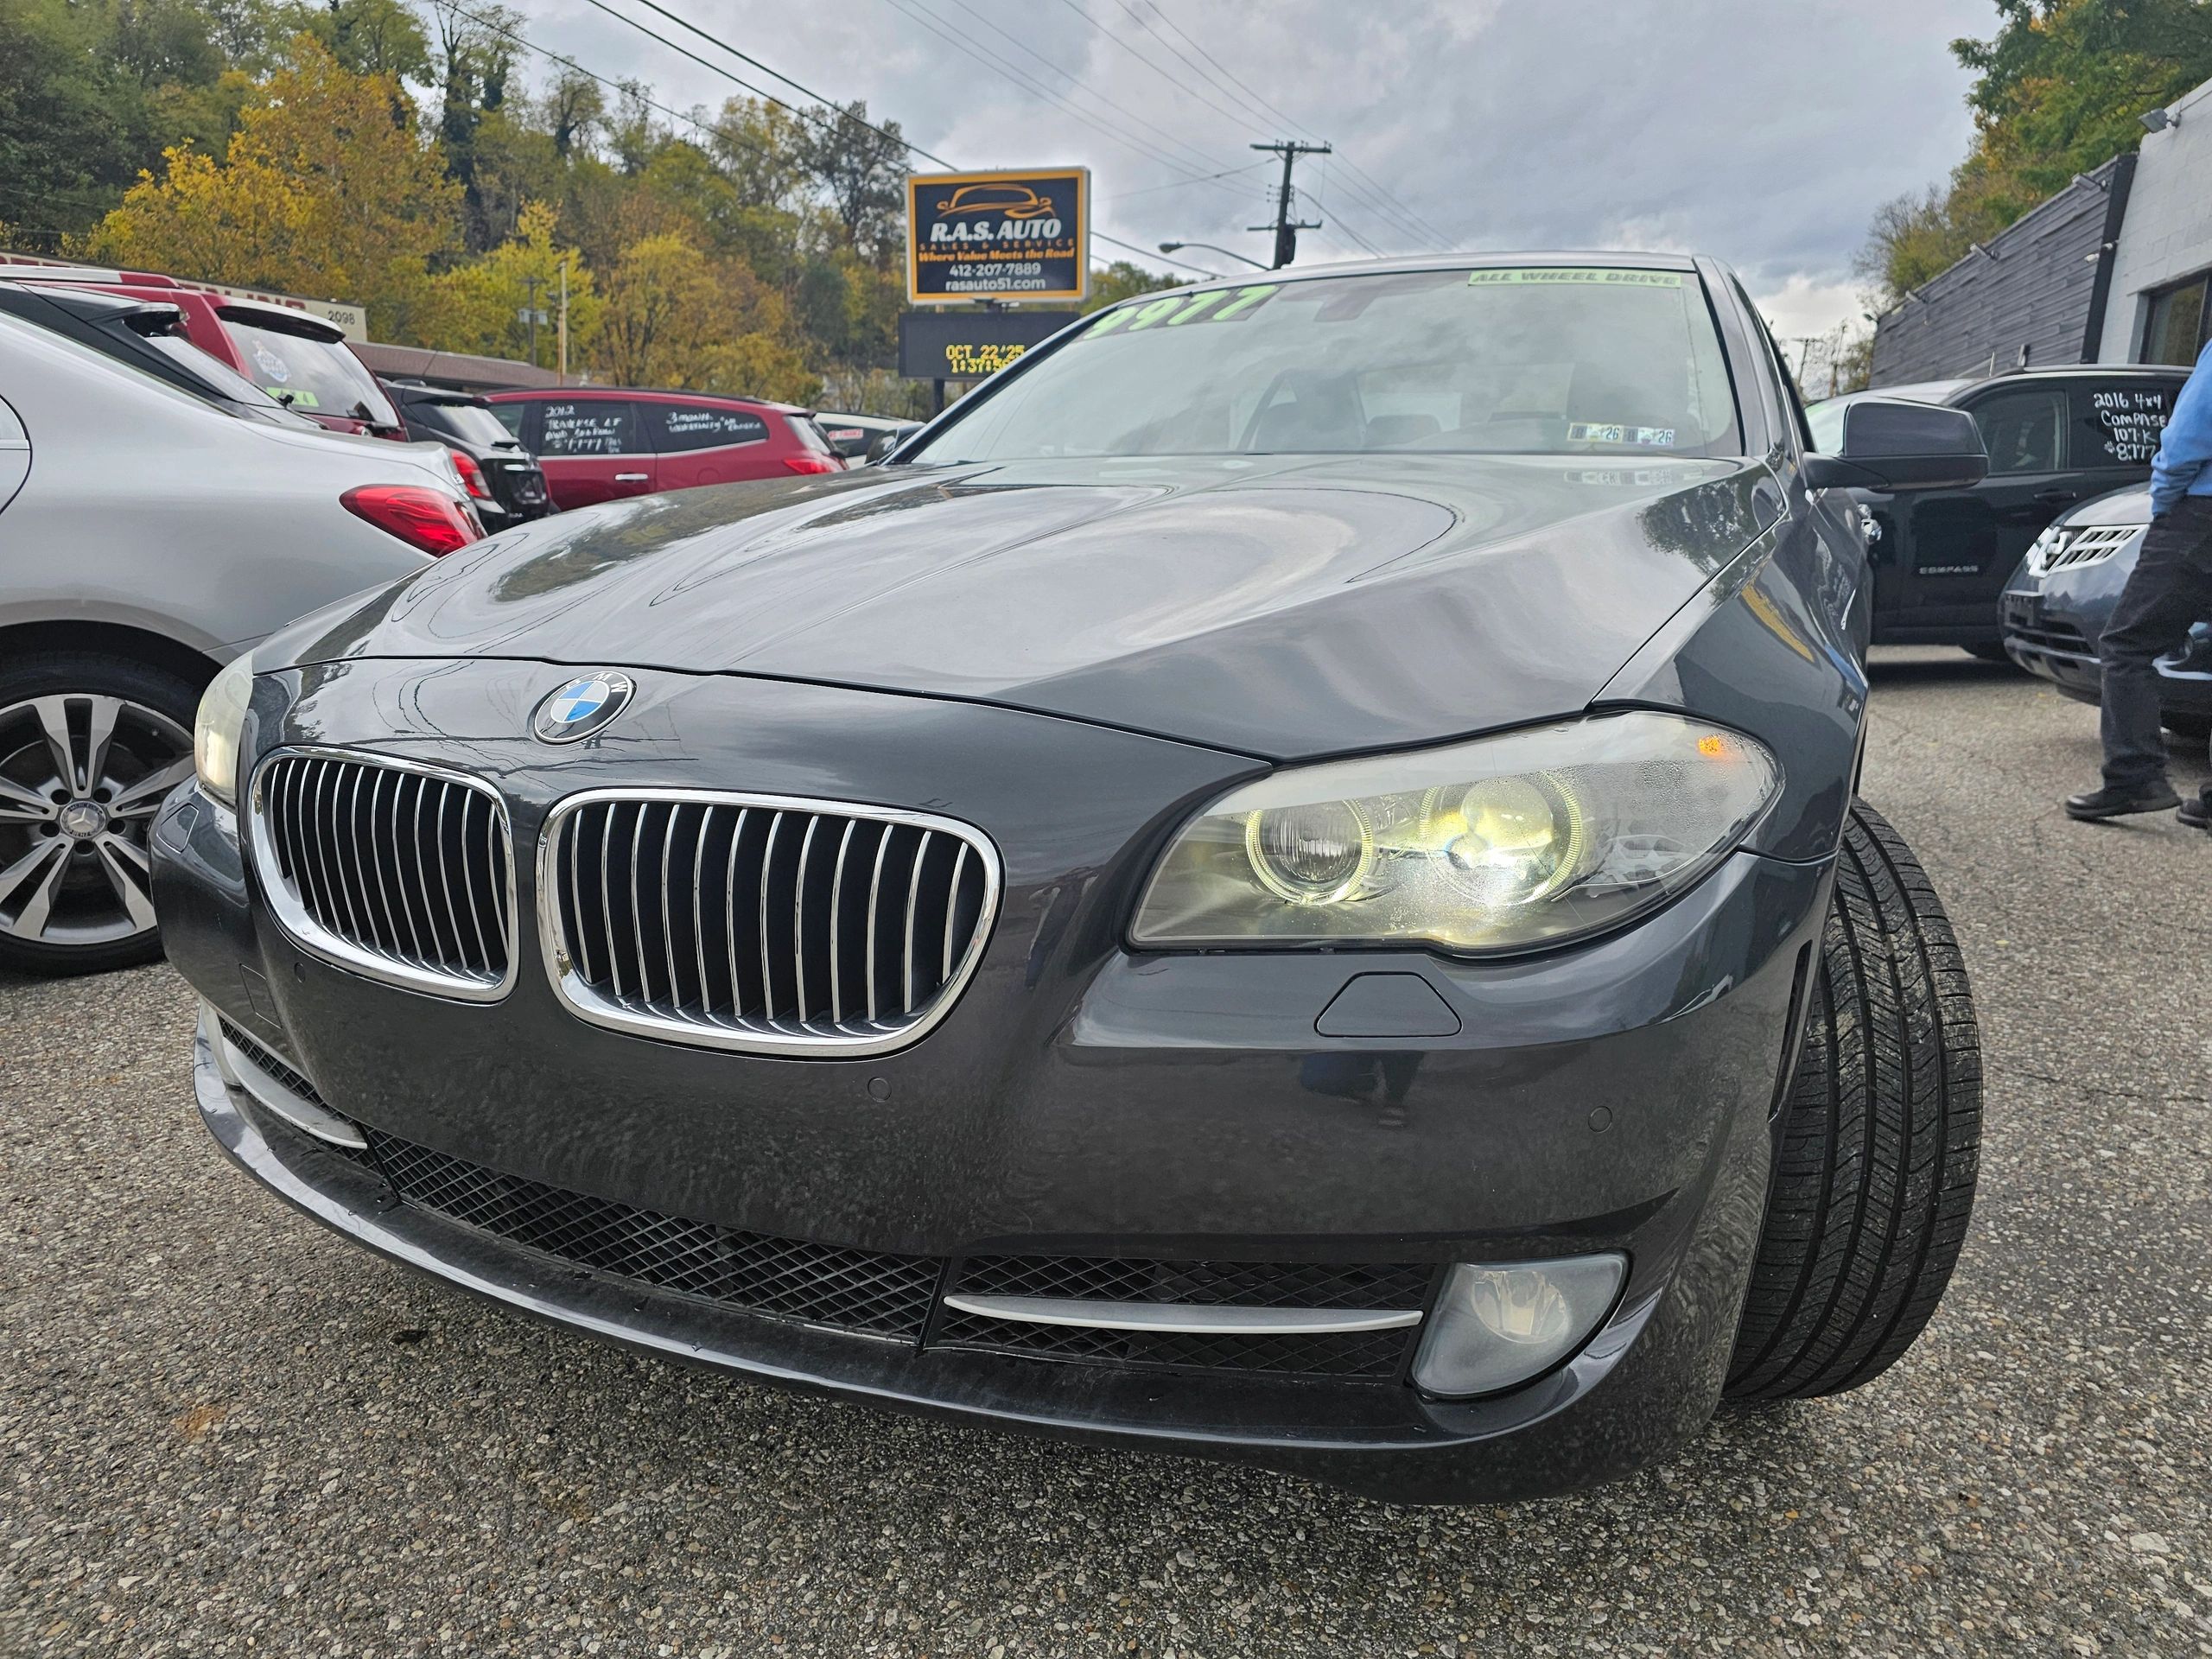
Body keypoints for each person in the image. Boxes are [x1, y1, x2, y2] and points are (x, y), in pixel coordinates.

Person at [2064, 337, 2212, 824]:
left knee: (2127, 645)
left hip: (2201, 519)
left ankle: (2135, 777)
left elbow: (2188, 437)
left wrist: (2164, 503)